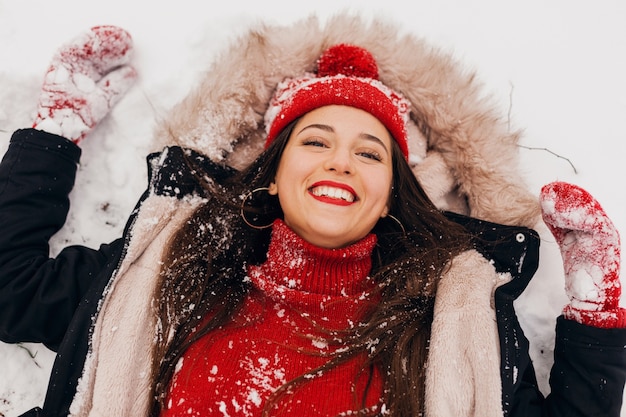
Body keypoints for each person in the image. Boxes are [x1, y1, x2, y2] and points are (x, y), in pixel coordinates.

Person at [0, 17, 625, 417]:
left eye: (369, 152)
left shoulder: (451, 325)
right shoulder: (163, 270)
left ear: (391, 195)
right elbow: (12, 287)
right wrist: (53, 131)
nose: (341, 162)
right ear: (274, 171)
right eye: (316, 141)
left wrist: (598, 312)